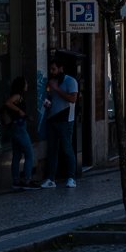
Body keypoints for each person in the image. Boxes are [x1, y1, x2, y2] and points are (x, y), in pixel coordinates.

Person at [40, 61, 78, 189]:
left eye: (54, 69)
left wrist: (57, 88)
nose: (52, 72)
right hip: (52, 119)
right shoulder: (51, 82)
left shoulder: (70, 81)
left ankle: (71, 177)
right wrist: (47, 102)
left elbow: (73, 99)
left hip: (65, 120)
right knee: (52, 150)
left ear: (61, 68)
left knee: (67, 148)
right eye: (50, 69)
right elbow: (49, 97)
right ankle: (51, 178)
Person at [2, 77, 36, 188]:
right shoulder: (17, 96)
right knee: (29, 154)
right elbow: (8, 103)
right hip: (19, 127)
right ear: (21, 85)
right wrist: (19, 110)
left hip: (16, 126)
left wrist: (25, 115)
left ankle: (16, 181)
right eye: (26, 83)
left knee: (17, 155)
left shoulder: (19, 97)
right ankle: (27, 180)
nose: (27, 85)